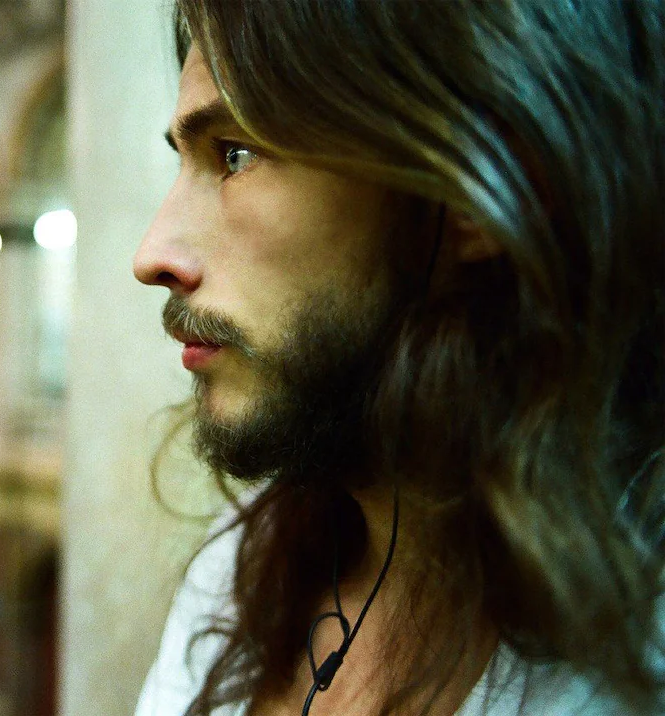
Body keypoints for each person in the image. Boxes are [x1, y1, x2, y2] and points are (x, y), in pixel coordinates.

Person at [131, 1, 664, 714]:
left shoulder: (629, 660)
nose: (152, 255)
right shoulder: (239, 567)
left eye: (235, 154)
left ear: (474, 186)